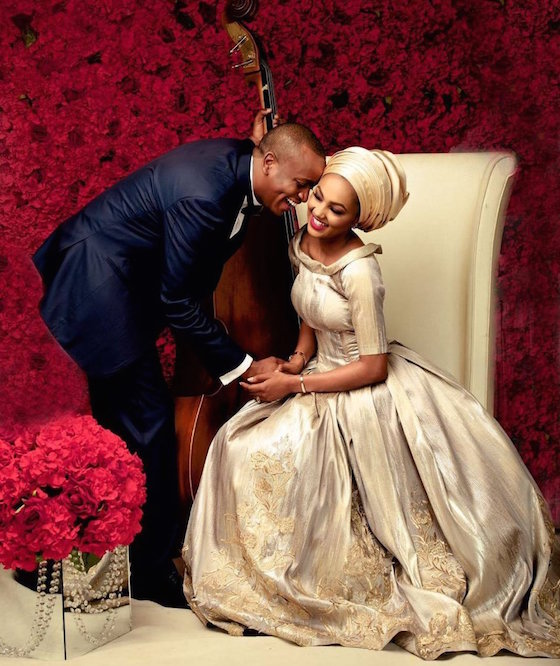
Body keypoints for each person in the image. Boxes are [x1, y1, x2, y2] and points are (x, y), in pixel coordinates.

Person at [182, 147, 560, 657]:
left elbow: (373, 366)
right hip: (317, 373)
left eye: (336, 210)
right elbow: (310, 313)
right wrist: (297, 360)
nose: (318, 212)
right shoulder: (304, 239)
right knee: (238, 443)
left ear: (359, 218)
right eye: (318, 196)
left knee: (290, 463)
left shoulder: (361, 273)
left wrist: (295, 387)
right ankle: (255, 577)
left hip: (363, 388)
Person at [32, 111, 326, 608]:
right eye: (300, 185)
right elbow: (179, 301)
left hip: (117, 284)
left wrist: (263, 149)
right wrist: (246, 366)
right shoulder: (206, 196)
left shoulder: (245, 168)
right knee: (147, 426)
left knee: (122, 429)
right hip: (97, 285)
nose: (302, 198)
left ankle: (80, 554)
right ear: (269, 163)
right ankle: (146, 570)